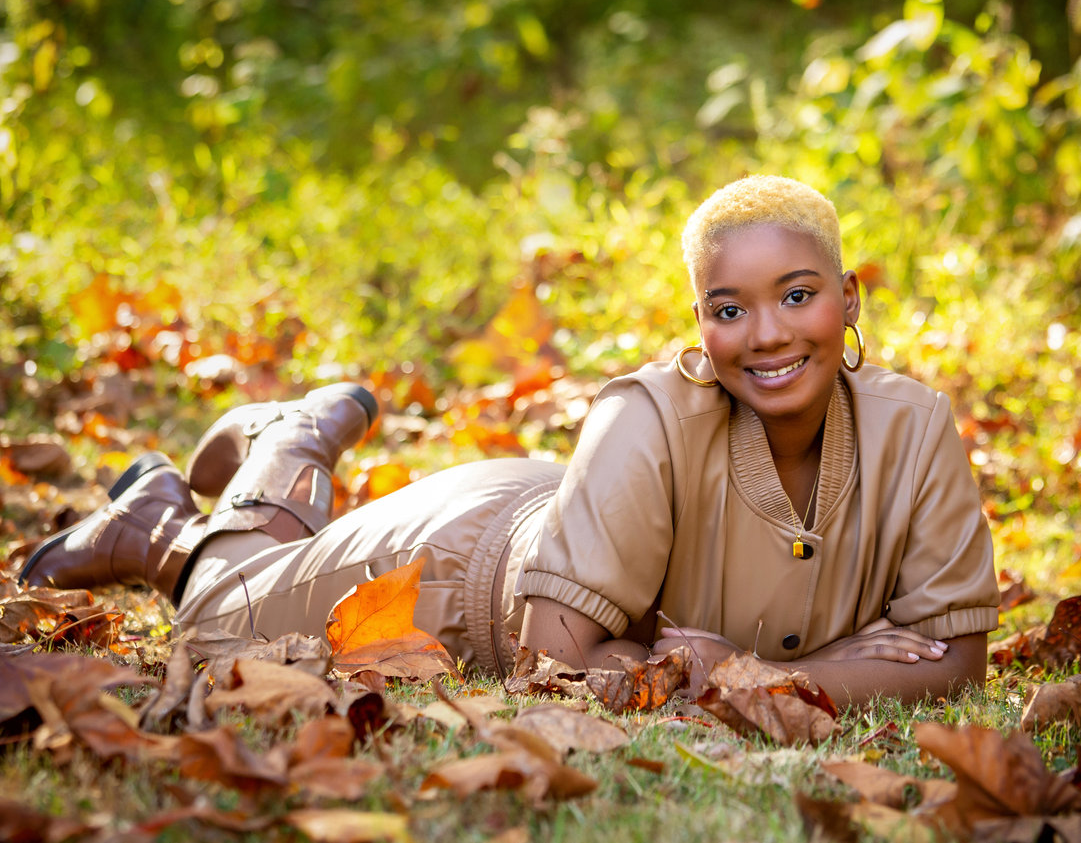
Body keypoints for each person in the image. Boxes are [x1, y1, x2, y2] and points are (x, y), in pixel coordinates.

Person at [20, 176, 1000, 707]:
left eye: (797, 295)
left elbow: (955, 663)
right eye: (728, 308)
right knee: (214, 615)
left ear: (848, 297)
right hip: (457, 567)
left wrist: (752, 674)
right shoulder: (646, 415)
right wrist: (837, 665)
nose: (770, 334)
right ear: (696, 324)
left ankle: (244, 476)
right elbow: (558, 673)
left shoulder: (911, 426)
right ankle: (215, 493)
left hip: (568, 511)